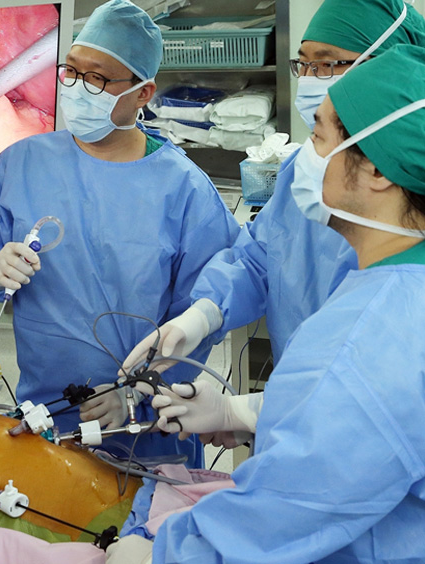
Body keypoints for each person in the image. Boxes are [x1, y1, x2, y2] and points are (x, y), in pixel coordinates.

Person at [107, 42, 425, 563]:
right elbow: (355, 435)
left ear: (378, 171)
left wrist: (159, 554)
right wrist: (245, 404)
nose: (302, 161)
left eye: (318, 138)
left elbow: (281, 515)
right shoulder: (398, 290)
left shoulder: (368, 338)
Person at [122, 0, 425, 444]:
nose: (311, 80)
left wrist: (245, 411)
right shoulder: (307, 171)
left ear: (384, 70)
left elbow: (372, 388)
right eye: (303, 63)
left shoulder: (404, 230)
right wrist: (200, 317)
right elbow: (263, 255)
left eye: (329, 64)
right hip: (300, 418)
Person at [0, 0, 239, 466]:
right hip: (46, 421)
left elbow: (203, 319)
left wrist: (140, 390)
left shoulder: (184, 189)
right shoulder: (19, 165)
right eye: (72, 71)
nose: (78, 88)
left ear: (143, 93)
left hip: (148, 430)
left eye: (98, 79)